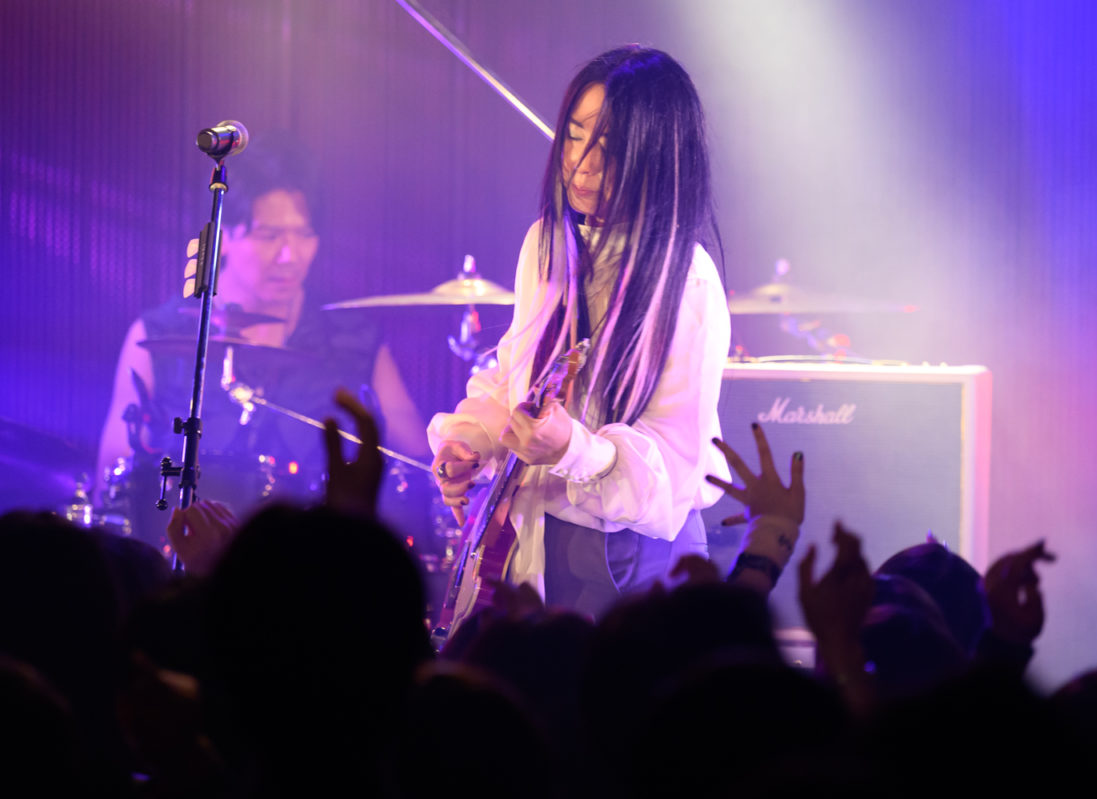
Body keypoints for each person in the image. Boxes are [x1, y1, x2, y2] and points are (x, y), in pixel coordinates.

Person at [428, 46, 731, 618]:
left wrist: (572, 448)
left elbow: (673, 465)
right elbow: (518, 377)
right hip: (544, 537)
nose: (582, 164)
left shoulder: (686, 277)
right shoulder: (546, 242)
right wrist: (470, 442)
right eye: (572, 137)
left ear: (658, 157)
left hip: (634, 549)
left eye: (608, 148)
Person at [96, 137, 427, 541]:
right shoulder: (158, 335)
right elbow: (114, 480)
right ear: (224, 237)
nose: (290, 256)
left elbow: (418, 463)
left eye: (304, 234)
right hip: (182, 561)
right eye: (269, 236)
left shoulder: (353, 342)